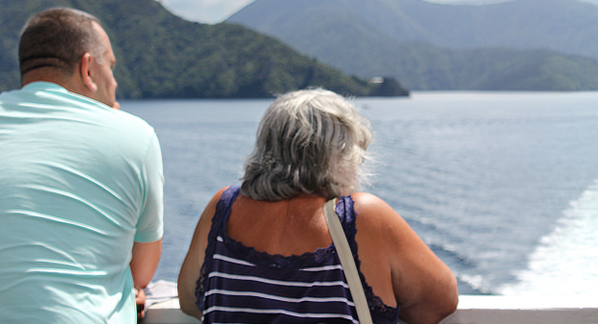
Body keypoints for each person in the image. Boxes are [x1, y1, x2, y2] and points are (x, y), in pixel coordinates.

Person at [0, 7, 164, 322]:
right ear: (88, 68)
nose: (114, 83)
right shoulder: (136, 135)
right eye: (110, 68)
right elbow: (141, 271)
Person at [178, 88, 458, 324]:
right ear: (338, 154)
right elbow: (440, 302)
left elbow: (192, 301)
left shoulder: (223, 208)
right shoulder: (360, 217)